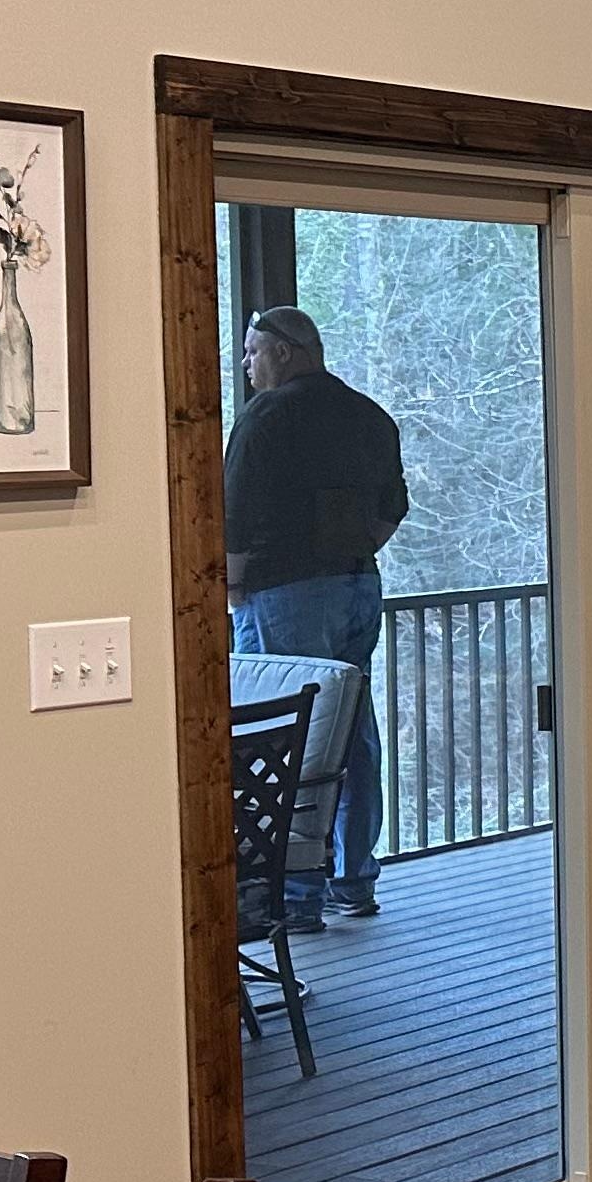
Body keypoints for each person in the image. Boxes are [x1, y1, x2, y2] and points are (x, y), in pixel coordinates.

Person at [226, 304, 407, 919]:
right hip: (357, 584)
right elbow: (393, 507)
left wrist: (232, 587)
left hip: (284, 592)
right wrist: (352, 549)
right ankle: (353, 878)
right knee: (351, 728)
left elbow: (233, 514)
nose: (246, 364)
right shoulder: (368, 415)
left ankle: (294, 894)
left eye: (253, 351)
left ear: (285, 351)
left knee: (285, 735)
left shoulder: (266, 418)